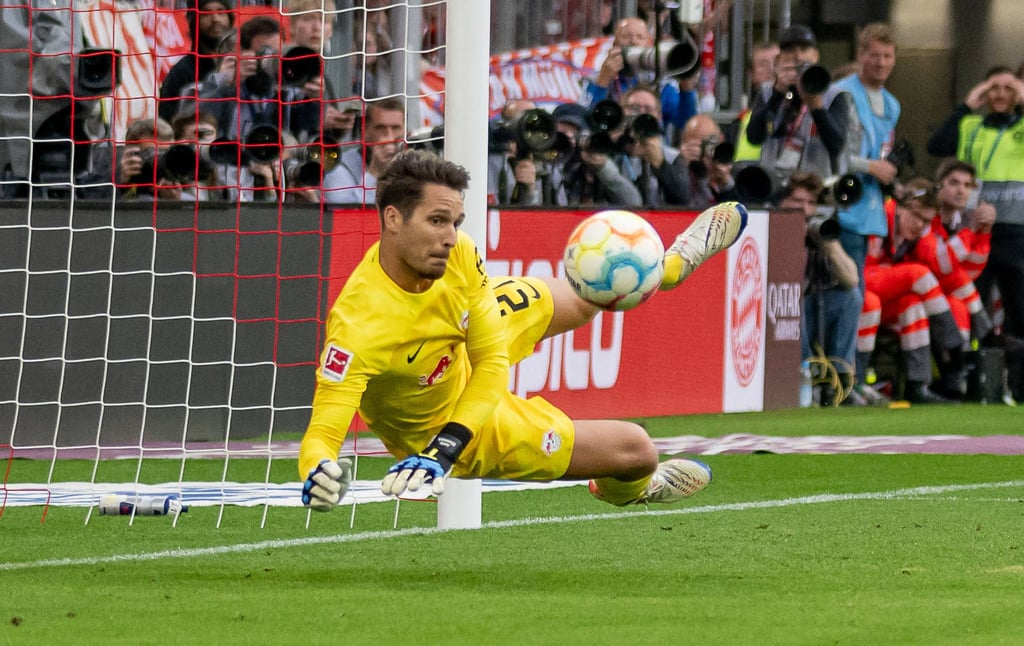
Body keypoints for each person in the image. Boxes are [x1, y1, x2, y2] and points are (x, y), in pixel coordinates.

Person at [299, 149, 749, 510]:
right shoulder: (359, 328)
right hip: (444, 424)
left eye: (455, 222)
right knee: (637, 450)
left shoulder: (457, 253)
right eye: (436, 221)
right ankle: (632, 490)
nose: (451, 237)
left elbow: (491, 360)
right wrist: (319, 473)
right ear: (393, 219)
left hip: (464, 344)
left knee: (587, 294)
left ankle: (669, 266)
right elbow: (322, 434)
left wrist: (447, 446)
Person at [926, 65, 1024, 401]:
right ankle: (972, 385)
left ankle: (1018, 389)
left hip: (1016, 233)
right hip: (975, 233)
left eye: (1008, 88)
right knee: (969, 306)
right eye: (993, 88)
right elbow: (937, 145)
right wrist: (967, 105)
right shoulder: (970, 125)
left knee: (1020, 312)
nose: (1000, 94)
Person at [862, 179, 965, 403]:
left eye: (926, 220)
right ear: (900, 208)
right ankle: (955, 350)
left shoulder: (917, 234)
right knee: (918, 274)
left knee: (912, 304)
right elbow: (862, 274)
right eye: (916, 216)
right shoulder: (880, 217)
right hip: (860, 290)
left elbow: (941, 266)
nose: (920, 225)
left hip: (884, 300)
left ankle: (917, 386)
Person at [778, 171, 868, 407]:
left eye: (811, 203)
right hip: (775, 311)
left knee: (850, 297)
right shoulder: (770, 226)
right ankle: (809, 377)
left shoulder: (817, 228)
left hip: (808, 312)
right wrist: (790, 239)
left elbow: (852, 279)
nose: (805, 209)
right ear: (781, 201)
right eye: (797, 201)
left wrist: (829, 244)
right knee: (791, 298)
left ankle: (839, 381)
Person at [822, 23, 901, 286]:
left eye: (887, 56)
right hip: (837, 204)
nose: (881, 62)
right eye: (875, 55)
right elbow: (828, 150)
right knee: (845, 287)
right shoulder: (839, 93)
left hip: (867, 207)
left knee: (855, 285)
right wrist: (870, 167)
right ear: (861, 55)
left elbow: (883, 148)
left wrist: (890, 174)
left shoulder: (892, 105)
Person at [745, 24, 849, 195]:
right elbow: (754, 137)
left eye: (804, 49)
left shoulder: (833, 94)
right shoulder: (768, 91)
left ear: (815, 56)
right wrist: (777, 93)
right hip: (773, 188)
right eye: (790, 50)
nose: (798, 56)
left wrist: (816, 106)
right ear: (779, 59)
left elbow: (837, 146)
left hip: (815, 190)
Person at [579, 16, 698, 144]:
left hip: (651, 148)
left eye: (640, 37)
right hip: (611, 147)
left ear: (649, 45)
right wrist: (602, 82)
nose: (633, 42)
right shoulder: (597, 79)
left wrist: (687, 89)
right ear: (614, 45)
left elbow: (684, 122)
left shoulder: (662, 84)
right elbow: (584, 120)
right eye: (626, 37)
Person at [158, 0, 235, 123]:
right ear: (194, 21)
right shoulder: (181, 72)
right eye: (206, 13)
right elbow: (167, 120)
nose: (215, 19)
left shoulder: (241, 65)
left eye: (221, 12)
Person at [614, 84, 690, 206]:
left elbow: (684, 198)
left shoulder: (671, 156)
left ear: (659, 116)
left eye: (648, 109)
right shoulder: (611, 149)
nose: (641, 113)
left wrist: (660, 164)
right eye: (634, 108)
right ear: (622, 112)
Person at [322, 97, 406, 204]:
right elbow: (345, 210)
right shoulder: (338, 166)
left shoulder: (412, 165)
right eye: (380, 128)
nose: (389, 137)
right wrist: (374, 172)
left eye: (395, 128)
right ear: (364, 131)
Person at [674, 114, 739, 209]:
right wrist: (681, 164)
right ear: (682, 143)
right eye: (694, 145)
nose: (701, 151)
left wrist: (725, 182)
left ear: (721, 139)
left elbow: (740, 209)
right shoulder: (675, 168)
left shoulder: (732, 171)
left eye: (708, 144)